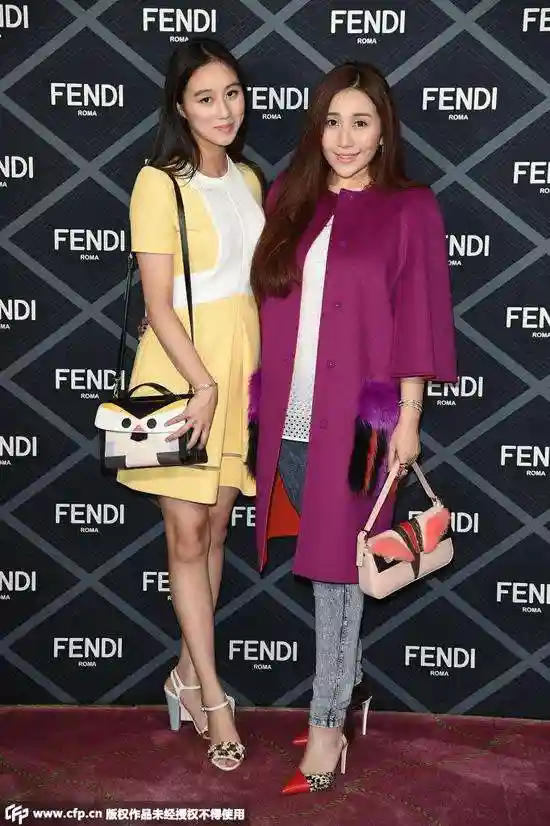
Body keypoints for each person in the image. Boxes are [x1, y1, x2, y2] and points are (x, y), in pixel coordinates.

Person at [249, 62, 457, 794]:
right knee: (324, 564)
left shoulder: (410, 208)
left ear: (383, 130)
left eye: (360, 123)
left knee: (338, 573)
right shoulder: (288, 196)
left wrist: (410, 419)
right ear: (317, 127)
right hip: (288, 416)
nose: (345, 138)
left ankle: (328, 723)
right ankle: (351, 682)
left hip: (364, 424)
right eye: (332, 121)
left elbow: (420, 321)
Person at [117, 38, 265, 772]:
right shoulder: (157, 183)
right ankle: (213, 697)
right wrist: (203, 384)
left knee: (214, 534)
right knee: (184, 538)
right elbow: (158, 305)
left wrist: (235, 382)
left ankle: (183, 672)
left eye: (232, 93)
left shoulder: (249, 178)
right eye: (205, 98)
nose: (223, 110)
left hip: (238, 373)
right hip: (181, 377)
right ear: (180, 106)